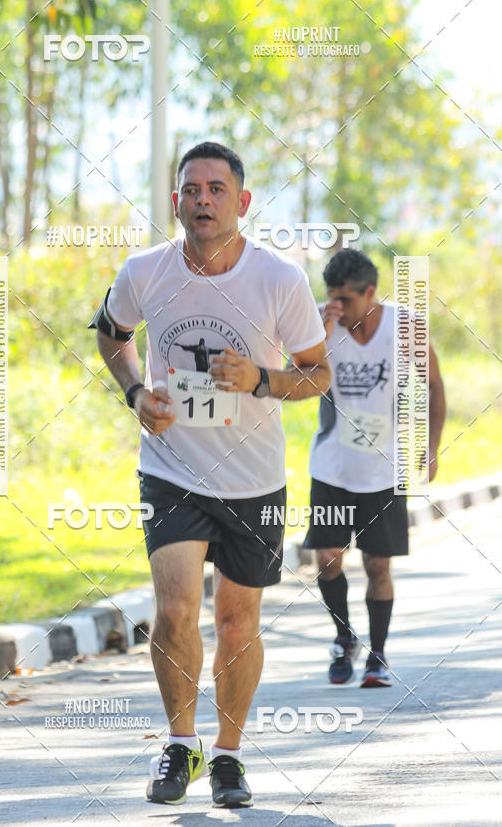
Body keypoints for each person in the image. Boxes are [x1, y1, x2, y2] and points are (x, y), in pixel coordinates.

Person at [89, 141, 330, 808]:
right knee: (174, 610)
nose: (203, 201)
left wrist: (261, 379)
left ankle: (227, 756)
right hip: (170, 471)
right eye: (191, 190)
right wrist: (136, 393)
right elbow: (110, 332)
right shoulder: (144, 271)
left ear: (242, 202)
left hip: (253, 478)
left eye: (217, 190)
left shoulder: (278, 279)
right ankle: (179, 745)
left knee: (236, 621)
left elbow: (318, 371)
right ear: (176, 202)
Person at [303, 249, 446, 687]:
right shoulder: (323, 327)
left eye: (345, 300)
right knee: (327, 559)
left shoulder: (405, 326)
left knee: (378, 565)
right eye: (331, 298)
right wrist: (319, 334)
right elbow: (296, 382)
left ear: (370, 293)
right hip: (331, 466)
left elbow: (435, 386)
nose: (337, 307)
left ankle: (377, 655)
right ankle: (344, 638)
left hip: (383, 470)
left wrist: (432, 446)